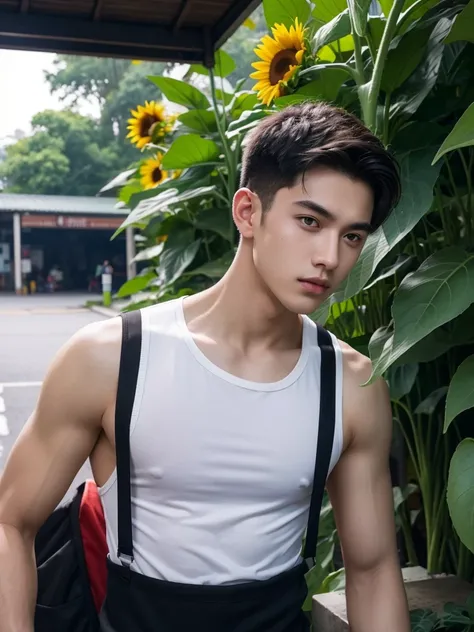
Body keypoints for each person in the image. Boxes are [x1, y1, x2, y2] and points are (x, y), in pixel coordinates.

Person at [0, 103, 410, 632]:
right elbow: (12, 521)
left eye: (352, 236)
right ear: (247, 213)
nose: (330, 256)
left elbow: (374, 569)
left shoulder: (351, 384)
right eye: (309, 221)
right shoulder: (113, 357)